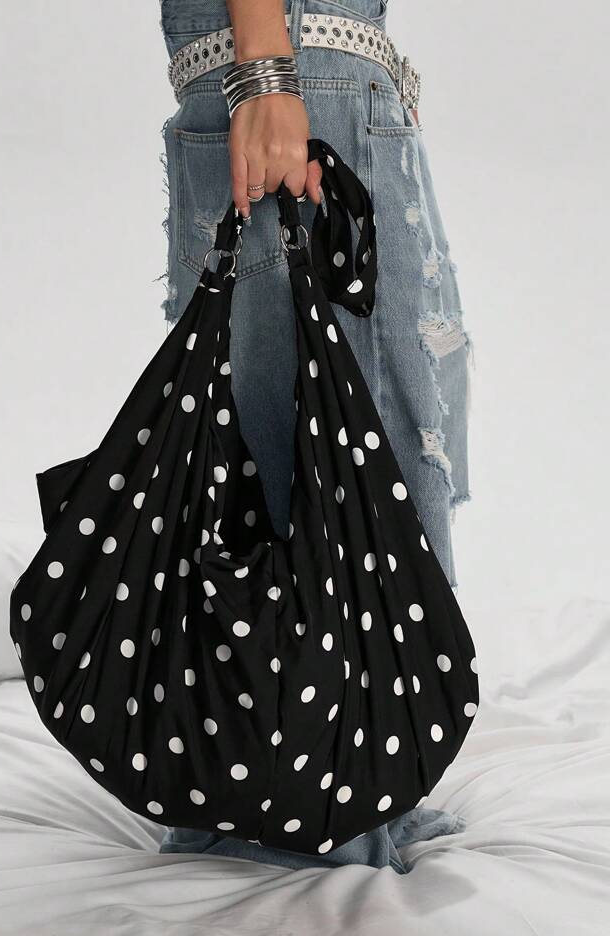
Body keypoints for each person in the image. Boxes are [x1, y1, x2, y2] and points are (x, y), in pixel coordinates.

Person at [156, 0, 472, 872]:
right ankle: (329, 804)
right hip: (298, 76)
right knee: (346, 446)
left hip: (299, 76)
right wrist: (270, 70)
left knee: (255, 435)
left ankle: (268, 787)